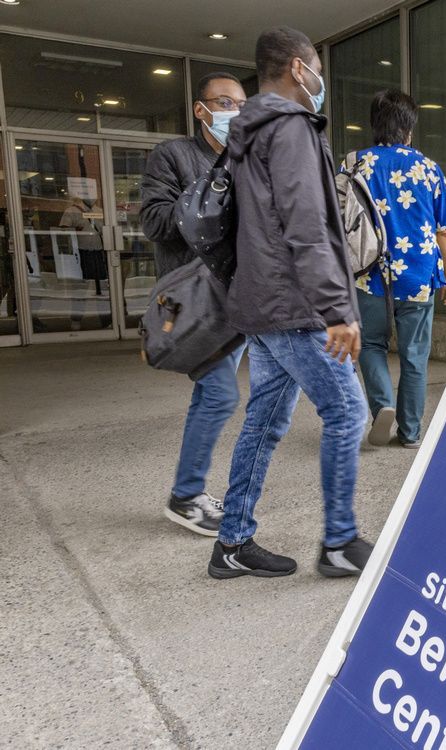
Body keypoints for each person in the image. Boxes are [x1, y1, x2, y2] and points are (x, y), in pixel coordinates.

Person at [208, 26, 370, 580]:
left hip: (261, 304)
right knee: (349, 413)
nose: (320, 77)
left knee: (264, 424)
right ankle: (340, 543)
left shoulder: (245, 134)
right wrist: (336, 309)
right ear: (299, 69)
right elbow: (307, 225)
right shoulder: (292, 128)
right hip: (294, 307)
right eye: (317, 65)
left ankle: (231, 541)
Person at [140, 71, 248, 536]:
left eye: (242, 105)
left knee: (213, 395)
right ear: (200, 109)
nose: (234, 113)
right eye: (224, 103)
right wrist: (212, 194)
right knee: (221, 393)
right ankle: (185, 496)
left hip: (236, 301)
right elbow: (155, 220)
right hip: (194, 301)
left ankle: (190, 490)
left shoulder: (246, 158)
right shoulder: (173, 156)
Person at [352, 89, 446, 448]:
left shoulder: (354, 164)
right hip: (418, 274)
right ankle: (410, 432)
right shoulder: (428, 169)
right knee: (414, 354)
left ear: (373, 126)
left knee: (370, 344)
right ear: (409, 130)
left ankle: (382, 406)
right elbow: (444, 230)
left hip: (369, 272)